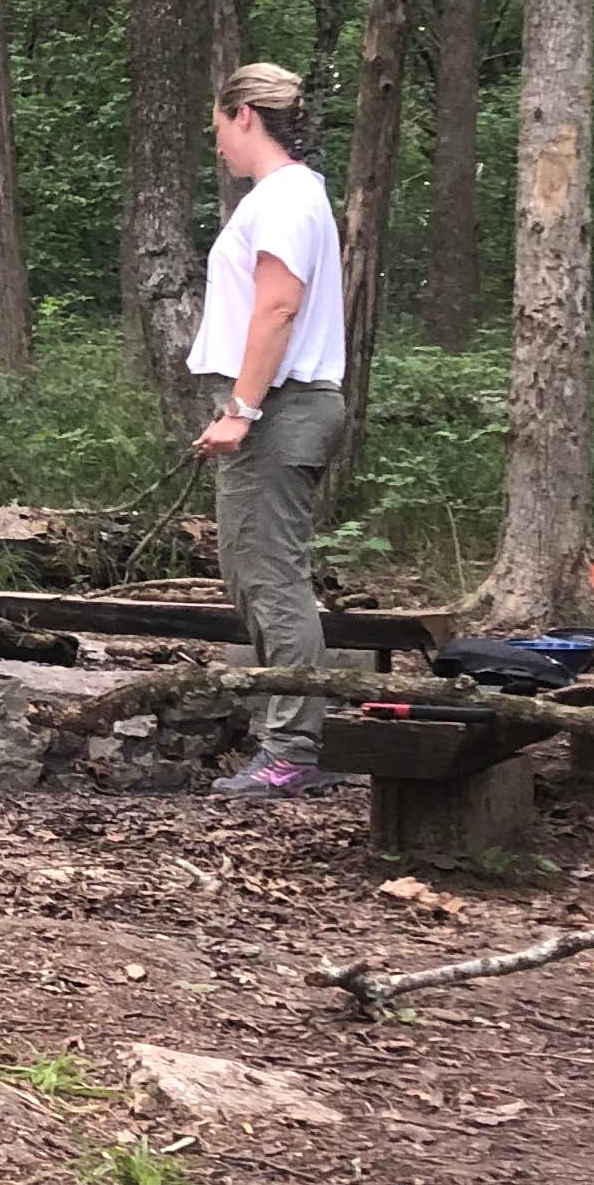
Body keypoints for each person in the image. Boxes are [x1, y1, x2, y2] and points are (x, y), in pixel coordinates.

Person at [190, 61, 353, 798]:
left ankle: (293, 749)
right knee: (248, 572)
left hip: (281, 408)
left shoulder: (285, 199)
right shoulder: (284, 198)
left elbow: (278, 307)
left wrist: (242, 409)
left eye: (219, 126)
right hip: (273, 407)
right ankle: (283, 730)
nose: (217, 143)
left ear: (245, 115)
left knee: (271, 576)